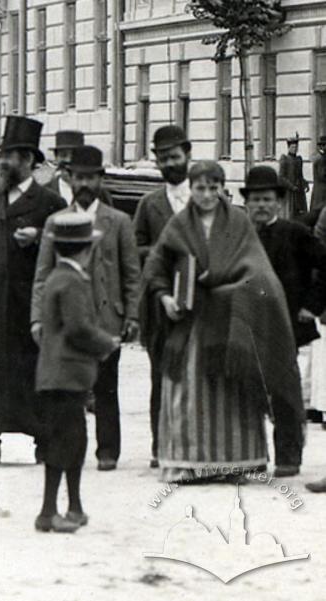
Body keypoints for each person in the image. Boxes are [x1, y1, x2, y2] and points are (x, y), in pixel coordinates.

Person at [143, 160, 302, 483]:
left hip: (232, 325)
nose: (206, 195)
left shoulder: (239, 223)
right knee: (188, 391)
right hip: (192, 325)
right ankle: (188, 464)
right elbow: (156, 270)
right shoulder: (178, 225)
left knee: (234, 390)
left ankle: (237, 462)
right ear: (191, 189)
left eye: (212, 188)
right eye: (199, 188)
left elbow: (258, 273)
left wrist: (228, 290)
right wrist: (165, 298)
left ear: (222, 189)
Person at [0, 115, 66, 465]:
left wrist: (38, 239)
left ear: (29, 161)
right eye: (2, 154)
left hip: (28, 305)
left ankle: (43, 440)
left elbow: (67, 254)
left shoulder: (49, 203)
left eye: (11, 156)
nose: (3, 162)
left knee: (30, 369)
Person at [32, 145, 140, 471]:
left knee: (107, 387)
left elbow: (132, 273)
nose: (84, 184)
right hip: (67, 318)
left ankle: (108, 450)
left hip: (107, 315)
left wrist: (132, 314)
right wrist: (38, 318)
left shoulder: (119, 221)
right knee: (69, 387)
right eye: (78, 177)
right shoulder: (56, 222)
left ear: (100, 179)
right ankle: (65, 445)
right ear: (68, 178)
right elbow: (42, 275)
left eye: (91, 178)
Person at [34, 213, 119, 533]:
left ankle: (72, 506)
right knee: (65, 443)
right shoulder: (72, 281)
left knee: (72, 441)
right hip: (67, 376)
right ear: (87, 249)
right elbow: (78, 328)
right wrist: (106, 343)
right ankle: (48, 511)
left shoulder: (57, 277)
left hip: (58, 374)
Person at [242, 165, 326, 477]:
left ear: (278, 201)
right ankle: (250, 457)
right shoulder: (240, 236)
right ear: (247, 203)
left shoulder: (296, 233)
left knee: (285, 393)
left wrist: (312, 306)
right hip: (248, 326)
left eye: (267, 199)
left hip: (287, 326)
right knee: (248, 391)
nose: (261, 205)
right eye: (255, 200)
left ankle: (288, 458)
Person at [132, 125, 192, 468]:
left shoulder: (203, 197)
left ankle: (194, 443)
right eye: (163, 159)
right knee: (161, 374)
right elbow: (135, 248)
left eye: (174, 156)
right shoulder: (150, 203)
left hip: (198, 301)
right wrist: (160, 251)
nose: (169, 164)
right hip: (159, 302)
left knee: (197, 373)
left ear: (187, 154)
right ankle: (161, 445)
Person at [45, 130, 84, 205]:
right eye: (63, 155)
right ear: (56, 158)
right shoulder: (44, 192)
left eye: (74, 156)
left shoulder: (95, 192)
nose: (68, 160)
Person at [279, 134, 309, 219]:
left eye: (296, 147)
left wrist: (305, 183)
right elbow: (281, 177)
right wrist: (292, 187)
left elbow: (300, 175)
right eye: (292, 147)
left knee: (301, 214)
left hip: (299, 192)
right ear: (288, 148)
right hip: (289, 193)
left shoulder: (299, 159)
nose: (294, 149)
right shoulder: (284, 159)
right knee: (290, 215)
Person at [312, 135, 326, 215]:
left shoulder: (320, 157)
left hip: (319, 190)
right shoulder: (321, 159)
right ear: (322, 146)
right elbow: (322, 175)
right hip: (322, 191)